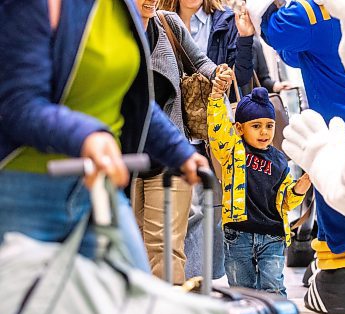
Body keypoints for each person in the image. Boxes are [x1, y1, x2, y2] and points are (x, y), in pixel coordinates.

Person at [0, 0, 207, 273]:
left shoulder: (124, 8)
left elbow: (133, 101)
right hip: (27, 191)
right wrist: (88, 136)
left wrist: (180, 153)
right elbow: (18, 105)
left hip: (98, 191)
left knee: (133, 299)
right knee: (28, 312)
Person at [246, 0, 345, 314]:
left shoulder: (311, 12)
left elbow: (277, 31)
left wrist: (265, 9)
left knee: (337, 199)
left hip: (337, 126)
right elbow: (293, 51)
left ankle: (338, 272)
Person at [133, 0, 228, 284]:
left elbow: (200, 62)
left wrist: (217, 75)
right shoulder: (115, 32)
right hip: (127, 156)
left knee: (166, 247)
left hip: (170, 153)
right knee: (134, 248)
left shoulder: (167, 24)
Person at [162, 0, 255, 281]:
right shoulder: (163, 20)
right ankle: (193, 283)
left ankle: (210, 281)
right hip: (175, 122)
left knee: (212, 206)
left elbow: (239, 75)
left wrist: (244, 40)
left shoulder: (224, 22)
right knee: (187, 209)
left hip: (216, 125)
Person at [207, 72, 311, 296]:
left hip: (273, 234)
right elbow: (216, 129)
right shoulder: (233, 150)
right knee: (242, 293)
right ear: (239, 128)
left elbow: (285, 201)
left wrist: (299, 188)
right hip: (238, 233)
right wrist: (216, 97)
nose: (264, 132)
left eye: (269, 125)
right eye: (256, 126)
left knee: (273, 289)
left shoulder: (280, 159)